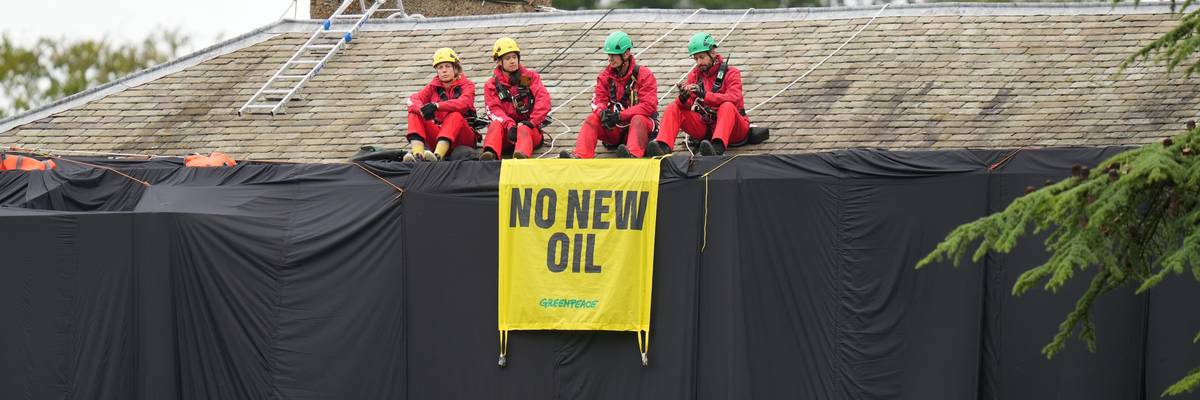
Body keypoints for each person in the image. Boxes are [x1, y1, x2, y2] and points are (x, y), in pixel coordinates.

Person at [646, 32, 748, 157]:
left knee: (727, 105)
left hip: (735, 129)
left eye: (701, 57)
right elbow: (686, 105)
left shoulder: (731, 72)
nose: (699, 62)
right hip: (708, 127)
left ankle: (717, 148)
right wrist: (683, 98)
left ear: (713, 53)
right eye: (696, 58)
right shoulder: (695, 75)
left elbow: (734, 98)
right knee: (674, 107)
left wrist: (705, 95)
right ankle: (663, 147)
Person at [564, 31, 658, 159]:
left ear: (626, 54)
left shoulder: (644, 75)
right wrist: (603, 112)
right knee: (592, 118)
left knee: (637, 119)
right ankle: (580, 157)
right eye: (609, 55)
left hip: (641, 127)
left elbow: (649, 106)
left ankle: (633, 155)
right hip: (616, 130)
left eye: (613, 55)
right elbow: (598, 100)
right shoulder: (605, 76)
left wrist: (620, 115)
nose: (610, 59)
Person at [480, 37, 552, 160]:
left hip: (529, 130)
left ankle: (520, 157)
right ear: (499, 62)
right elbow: (493, 109)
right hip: (506, 134)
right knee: (495, 125)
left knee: (523, 128)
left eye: (514, 57)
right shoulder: (492, 85)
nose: (512, 61)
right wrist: (510, 125)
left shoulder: (528, 78)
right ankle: (489, 155)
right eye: (507, 58)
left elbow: (543, 99)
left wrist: (532, 122)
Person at [403, 47, 479, 162]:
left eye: (448, 66)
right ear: (437, 71)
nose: (444, 70)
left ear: (455, 68)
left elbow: (464, 103)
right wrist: (421, 109)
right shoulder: (432, 87)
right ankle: (418, 155)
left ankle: (438, 157)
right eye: (440, 67)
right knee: (414, 113)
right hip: (440, 136)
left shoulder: (467, 85)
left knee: (455, 115)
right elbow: (411, 100)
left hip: (463, 137)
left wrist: (436, 106)